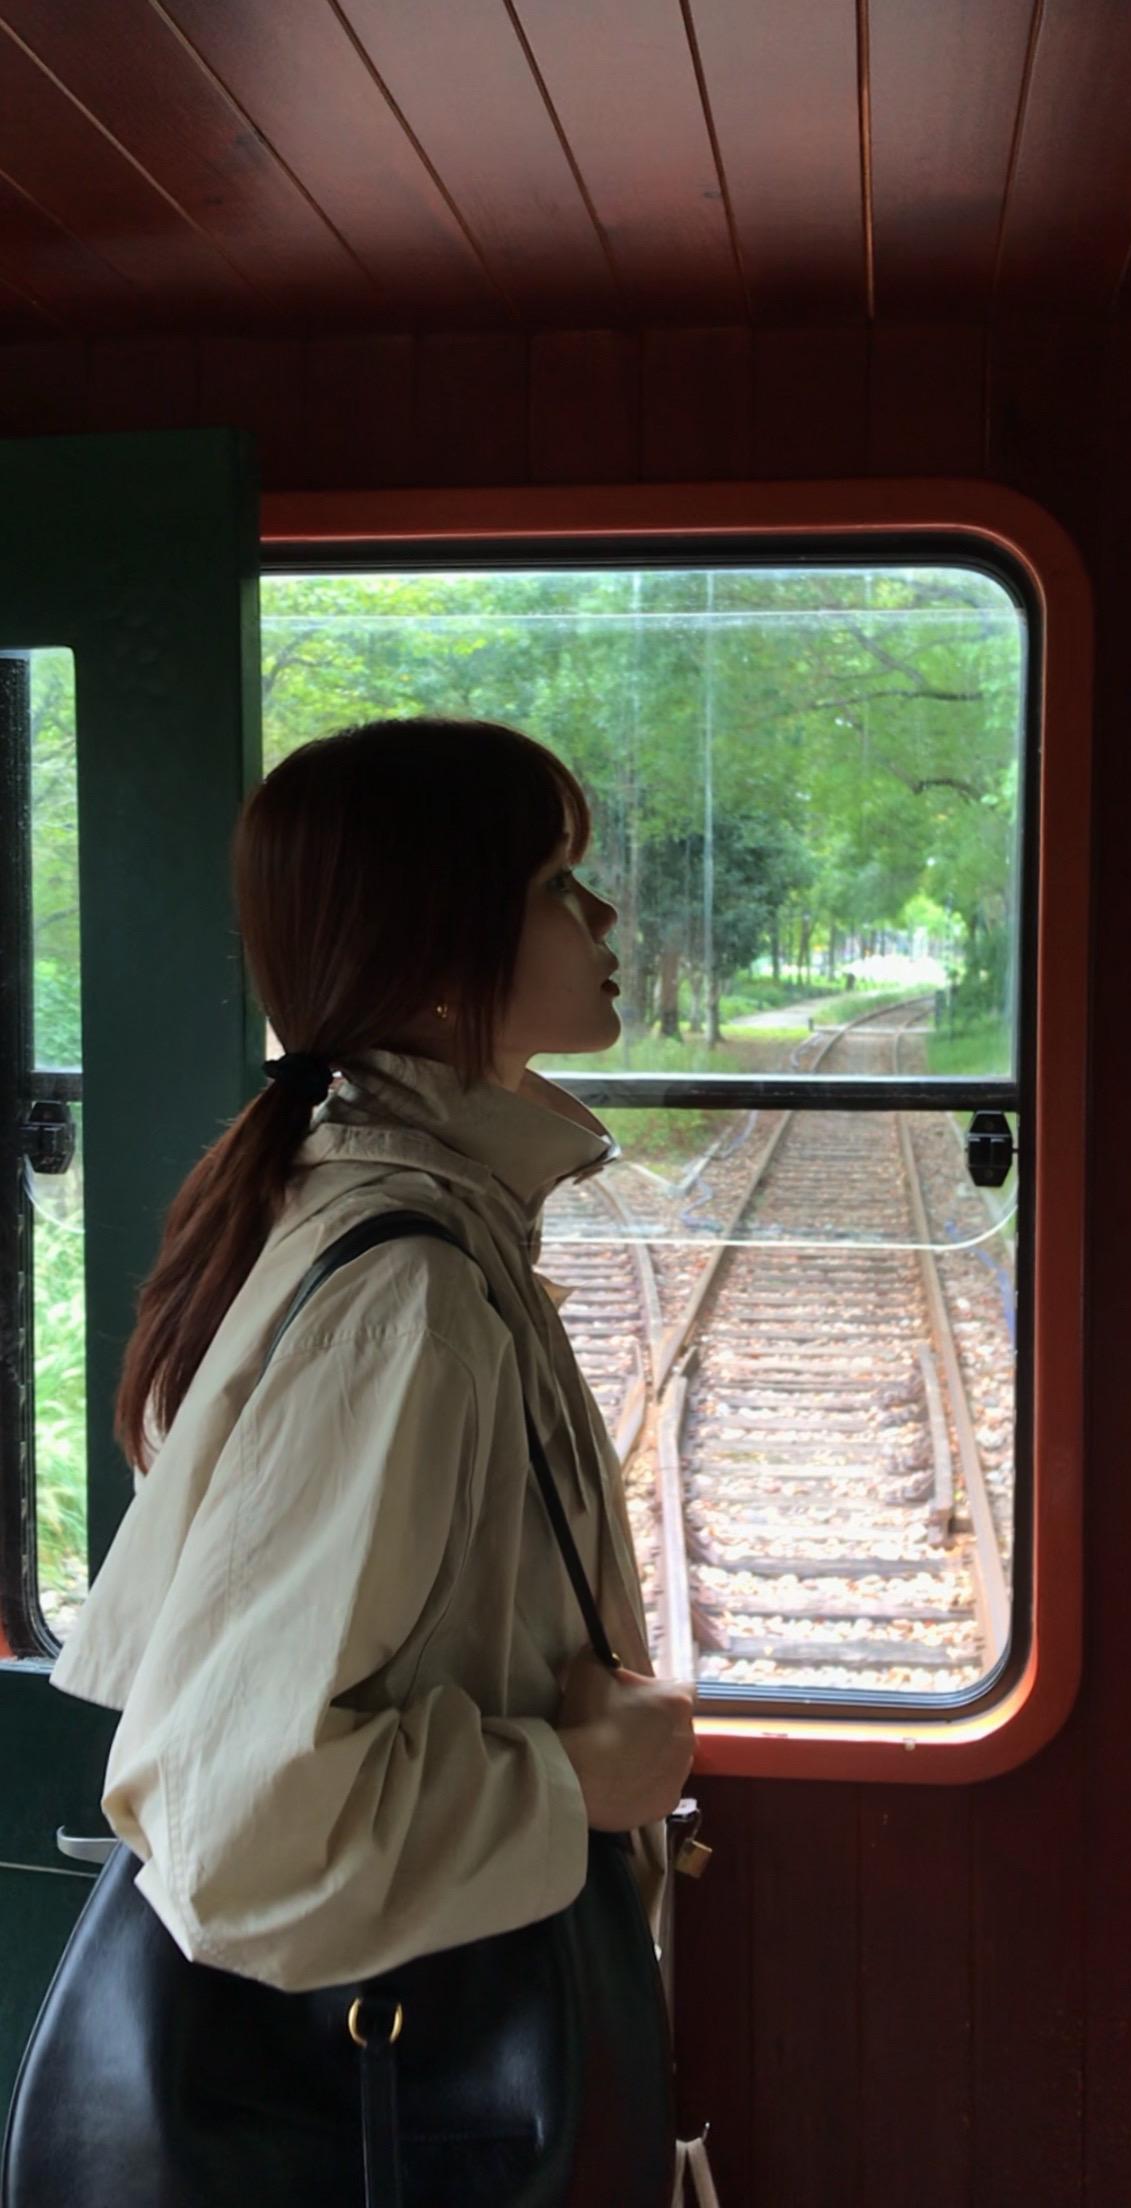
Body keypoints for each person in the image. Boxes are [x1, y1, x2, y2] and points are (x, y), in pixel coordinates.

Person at [48, 715, 696, 2201]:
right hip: (395, 2111)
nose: (604, 918)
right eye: (554, 884)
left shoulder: (375, 1206)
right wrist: (579, 1779)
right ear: (435, 943)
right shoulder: (409, 1293)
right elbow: (240, 1830)